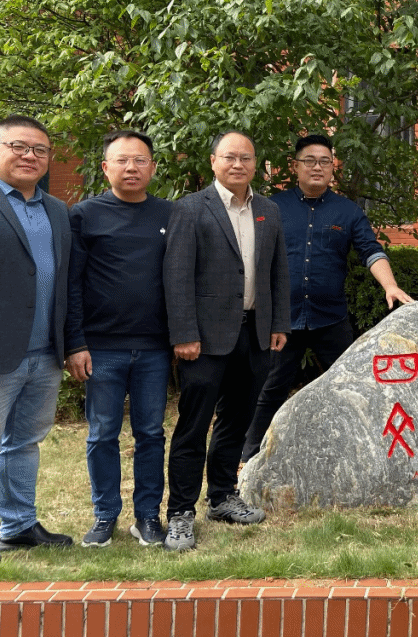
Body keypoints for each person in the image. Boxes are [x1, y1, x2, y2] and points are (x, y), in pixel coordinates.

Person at [241, 134, 412, 462]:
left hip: (330, 318)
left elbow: (371, 251)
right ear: (295, 166)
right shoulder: (272, 208)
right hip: (282, 320)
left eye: (324, 162)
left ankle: (364, 454)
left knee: (351, 388)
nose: (317, 167)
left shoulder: (347, 211)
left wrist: (389, 285)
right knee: (269, 389)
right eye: (309, 161)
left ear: (333, 168)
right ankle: (250, 458)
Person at [162, 130, 291, 551]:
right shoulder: (190, 209)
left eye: (246, 158)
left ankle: (221, 497)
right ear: (214, 161)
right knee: (193, 425)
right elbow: (177, 276)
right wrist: (184, 333)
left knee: (236, 421)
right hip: (203, 340)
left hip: (255, 334)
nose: (238, 164)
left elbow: (278, 272)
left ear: (256, 164)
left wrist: (279, 323)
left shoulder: (268, 210)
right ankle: (181, 512)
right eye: (230, 157)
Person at [65, 130, 173, 548]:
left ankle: (147, 517)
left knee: (151, 434)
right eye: (122, 160)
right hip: (101, 347)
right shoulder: (84, 215)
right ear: (105, 167)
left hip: (154, 347)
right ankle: (105, 515)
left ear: (153, 167)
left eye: (140, 160)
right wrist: (76, 343)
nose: (131, 168)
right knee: (102, 434)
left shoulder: (169, 214)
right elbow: (72, 285)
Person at [0, 114, 73, 555]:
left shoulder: (56, 209)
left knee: (23, 443)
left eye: (40, 150)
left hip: (44, 352)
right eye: (18, 146)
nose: (30, 156)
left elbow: (67, 282)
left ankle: (18, 526)